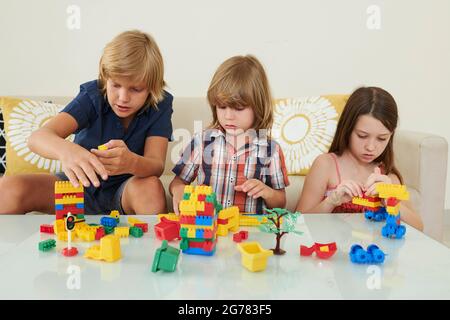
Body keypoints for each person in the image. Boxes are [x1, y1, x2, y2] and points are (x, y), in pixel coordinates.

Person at [0, 30, 173, 215]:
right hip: (76, 187)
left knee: (151, 188)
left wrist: (131, 163)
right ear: (105, 77)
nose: (123, 98)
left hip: (126, 192)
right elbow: (37, 138)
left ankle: (156, 244)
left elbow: (156, 165)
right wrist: (67, 151)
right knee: (9, 188)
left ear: (152, 87)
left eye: (136, 89)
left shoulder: (160, 103)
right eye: (115, 85)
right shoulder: (93, 95)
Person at [169, 55, 289, 214]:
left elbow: (281, 202)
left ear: (258, 106)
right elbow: (177, 182)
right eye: (222, 107)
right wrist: (178, 190)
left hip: (250, 232)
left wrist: (267, 192)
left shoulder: (271, 150)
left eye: (239, 108)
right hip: (209, 228)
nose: (228, 116)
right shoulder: (202, 142)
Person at [295, 86, 423, 230]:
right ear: (347, 128)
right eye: (362, 136)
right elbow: (298, 223)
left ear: (391, 135)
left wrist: (391, 200)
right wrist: (331, 202)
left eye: (382, 138)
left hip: (374, 251)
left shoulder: (388, 176)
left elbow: (418, 227)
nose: (370, 147)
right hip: (332, 249)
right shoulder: (325, 165)